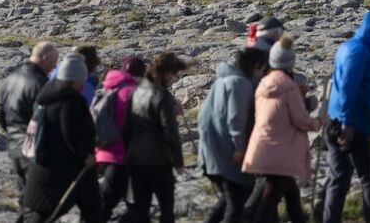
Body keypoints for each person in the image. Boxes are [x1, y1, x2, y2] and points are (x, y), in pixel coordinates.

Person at [242, 37, 323, 223]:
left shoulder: (263, 84)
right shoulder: (288, 88)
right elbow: (302, 121)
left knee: (291, 195)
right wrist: (319, 120)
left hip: (262, 149)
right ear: (290, 62)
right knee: (270, 200)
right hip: (279, 154)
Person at [324, 12, 370, 223]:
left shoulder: (349, 47)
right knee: (369, 179)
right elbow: (347, 88)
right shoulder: (360, 53)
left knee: (339, 179)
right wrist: (347, 123)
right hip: (353, 125)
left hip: (337, 120)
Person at [22, 54, 102, 223]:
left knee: (90, 209)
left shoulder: (48, 95)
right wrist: (85, 156)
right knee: (47, 212)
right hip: (65, 169)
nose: (83, 83)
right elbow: (71, 134)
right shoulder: (69, 102)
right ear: (73, 80)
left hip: (50, 166)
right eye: (82, 79)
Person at [121, 53, 187, 223]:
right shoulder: (162, 95)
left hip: (135, 159)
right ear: (166, 73)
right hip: (158, 160)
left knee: (140, 210)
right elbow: (170, 132)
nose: (174, 78)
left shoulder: (137, 92)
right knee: (166, 209)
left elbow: (126, 129)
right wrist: (178, 162)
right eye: (174, 74)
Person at [198, 49, 262, 223]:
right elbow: (236, 118)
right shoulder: (240, 83)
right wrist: (239, 147)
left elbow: (203, 117)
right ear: (256, 65)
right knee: (235, 201)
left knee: (229, 199)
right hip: (228, 151)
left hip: (212, 147)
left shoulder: (222, 79)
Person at [0, 42, 58, 219]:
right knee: (37, 204)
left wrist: (12, 135)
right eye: (54, 62)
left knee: (25, 199)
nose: (54, 67)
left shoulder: (11, 78)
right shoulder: (40, 83)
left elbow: (1, 115)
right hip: (33, 150)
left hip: (14, 147)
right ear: (45, 58)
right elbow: (45, 120)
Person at [97, 56, 146, 222]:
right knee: (109, 201)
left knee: (129, 203)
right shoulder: (131, 92)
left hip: (104, 150)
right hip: (120, 154)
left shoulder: (110, 87)